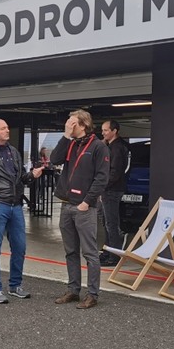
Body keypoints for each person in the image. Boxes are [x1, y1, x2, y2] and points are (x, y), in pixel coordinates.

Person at [0, 119, 44, 304]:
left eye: (7, 128)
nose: (7, 130)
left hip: (15, 206)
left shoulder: (13, 152)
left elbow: (20, 179)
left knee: (20, 247)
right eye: (3, 128)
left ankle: (15, 286)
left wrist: (32, 175)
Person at [51, 109, 110, 309]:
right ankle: (73, 290)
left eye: (72, 123)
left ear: (83, 125)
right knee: (70, 251)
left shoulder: (98, 147)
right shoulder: (70, 143)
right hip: (66, 204)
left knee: (90, 253)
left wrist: (87, 202)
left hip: (84, 207)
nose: (69, 125)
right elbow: (54, 159)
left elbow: (102, 178)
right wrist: (65, 136)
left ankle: (92, 294)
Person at [99, 120, 129, 267]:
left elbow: (115, 172)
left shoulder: (117, 148)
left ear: (114, 131)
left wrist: (102, 187)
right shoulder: (111, 146)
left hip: (111, 190)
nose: (103, 133)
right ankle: (107, 252)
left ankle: (114, 256)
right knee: (106, 222)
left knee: (111, 223)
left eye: (106, 130)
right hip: (109, 189)